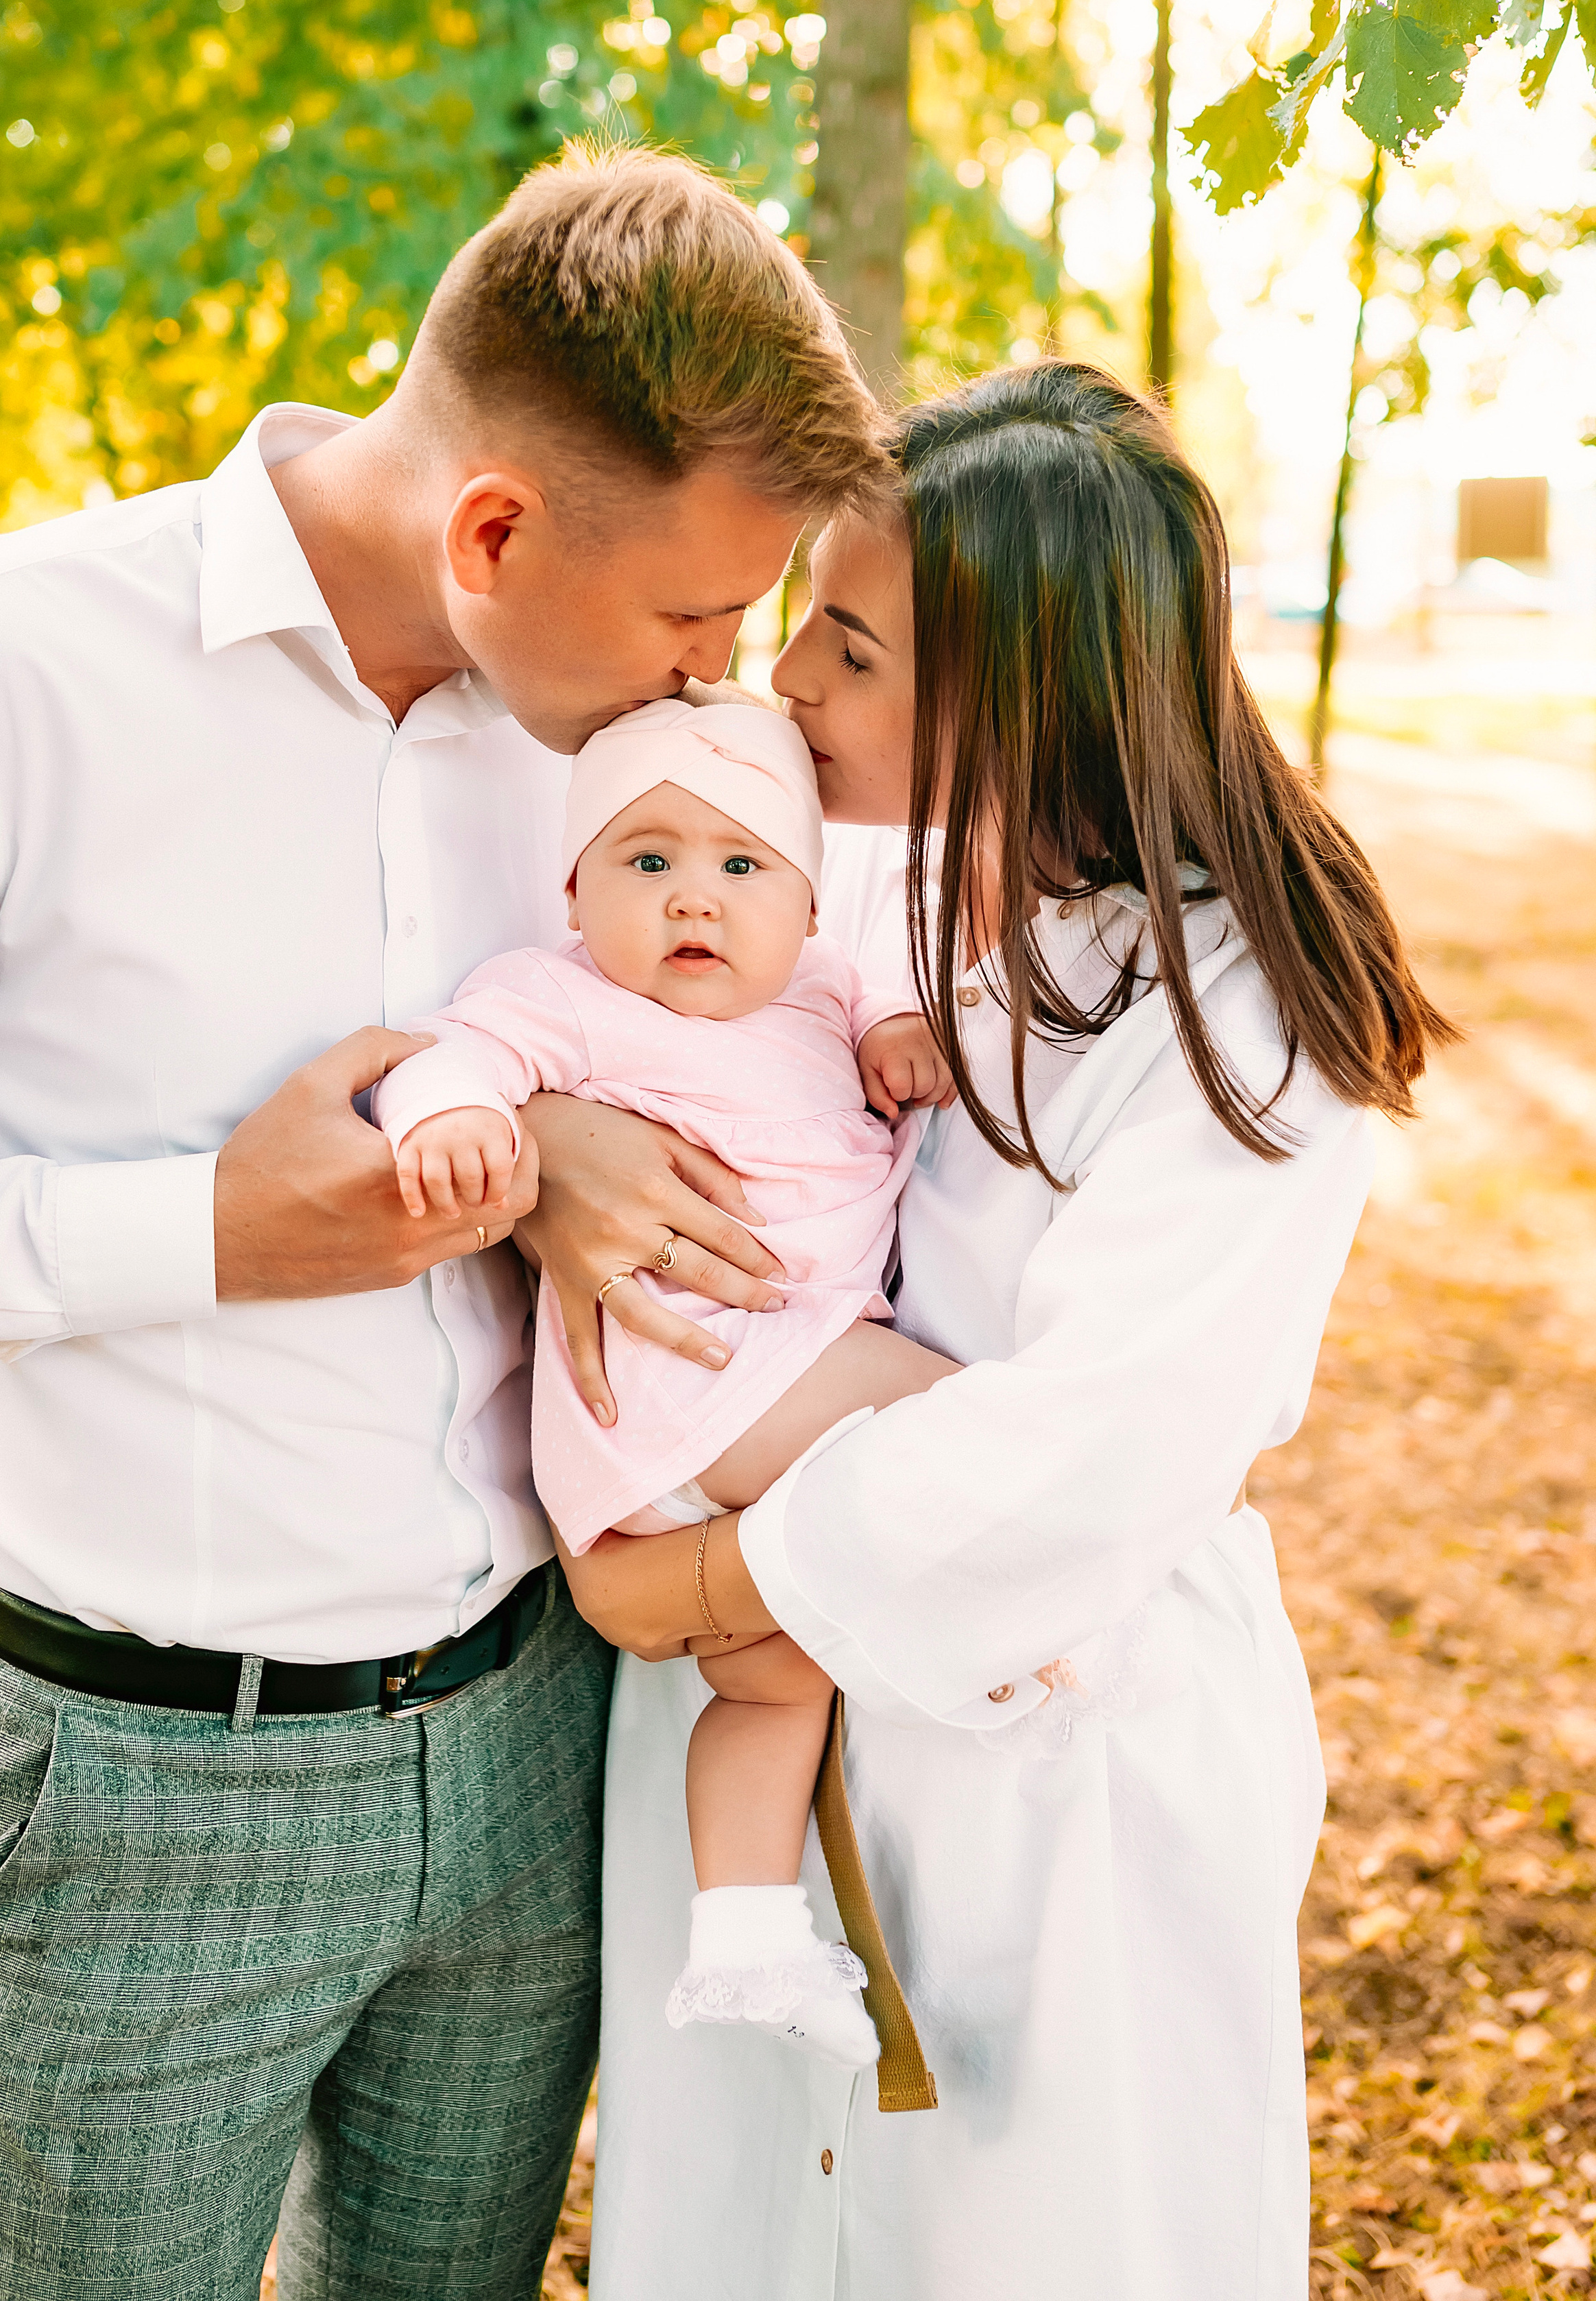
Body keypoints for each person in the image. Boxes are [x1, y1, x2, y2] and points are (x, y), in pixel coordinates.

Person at [0, 142, 888, 2301]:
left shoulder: (605, 746)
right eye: (700, 613)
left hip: (533, 1744)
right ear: (492, 530)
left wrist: (573, 1156)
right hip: (137, 1784)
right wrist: (198, 1233)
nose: (738, 677)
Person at [538, 360, 1454, 2301]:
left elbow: (1098, 1449)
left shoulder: (1246, 1024)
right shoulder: (916, 896)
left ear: (1021, 690)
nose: (791, 681)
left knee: (1040, 2242)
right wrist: (547, 1143)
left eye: (850, 649)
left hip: (1047, 1758)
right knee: (762, 2230)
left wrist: (698, 1580)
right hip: (791, 1728)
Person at [370, 697, 957, 2070]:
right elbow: (456, 1054)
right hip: (712, 1374)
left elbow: (879, 993)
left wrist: (901, 1029)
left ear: (807, 902)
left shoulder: (825, 985)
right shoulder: (562, 994)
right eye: (645, 863)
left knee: (772, 1688)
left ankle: (744, 1938)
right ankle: (1042, 1620)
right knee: (961, 1427)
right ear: (575, 890)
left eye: (740, 867)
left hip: (719, 1412)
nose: (692, 896)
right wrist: (459, 1114)